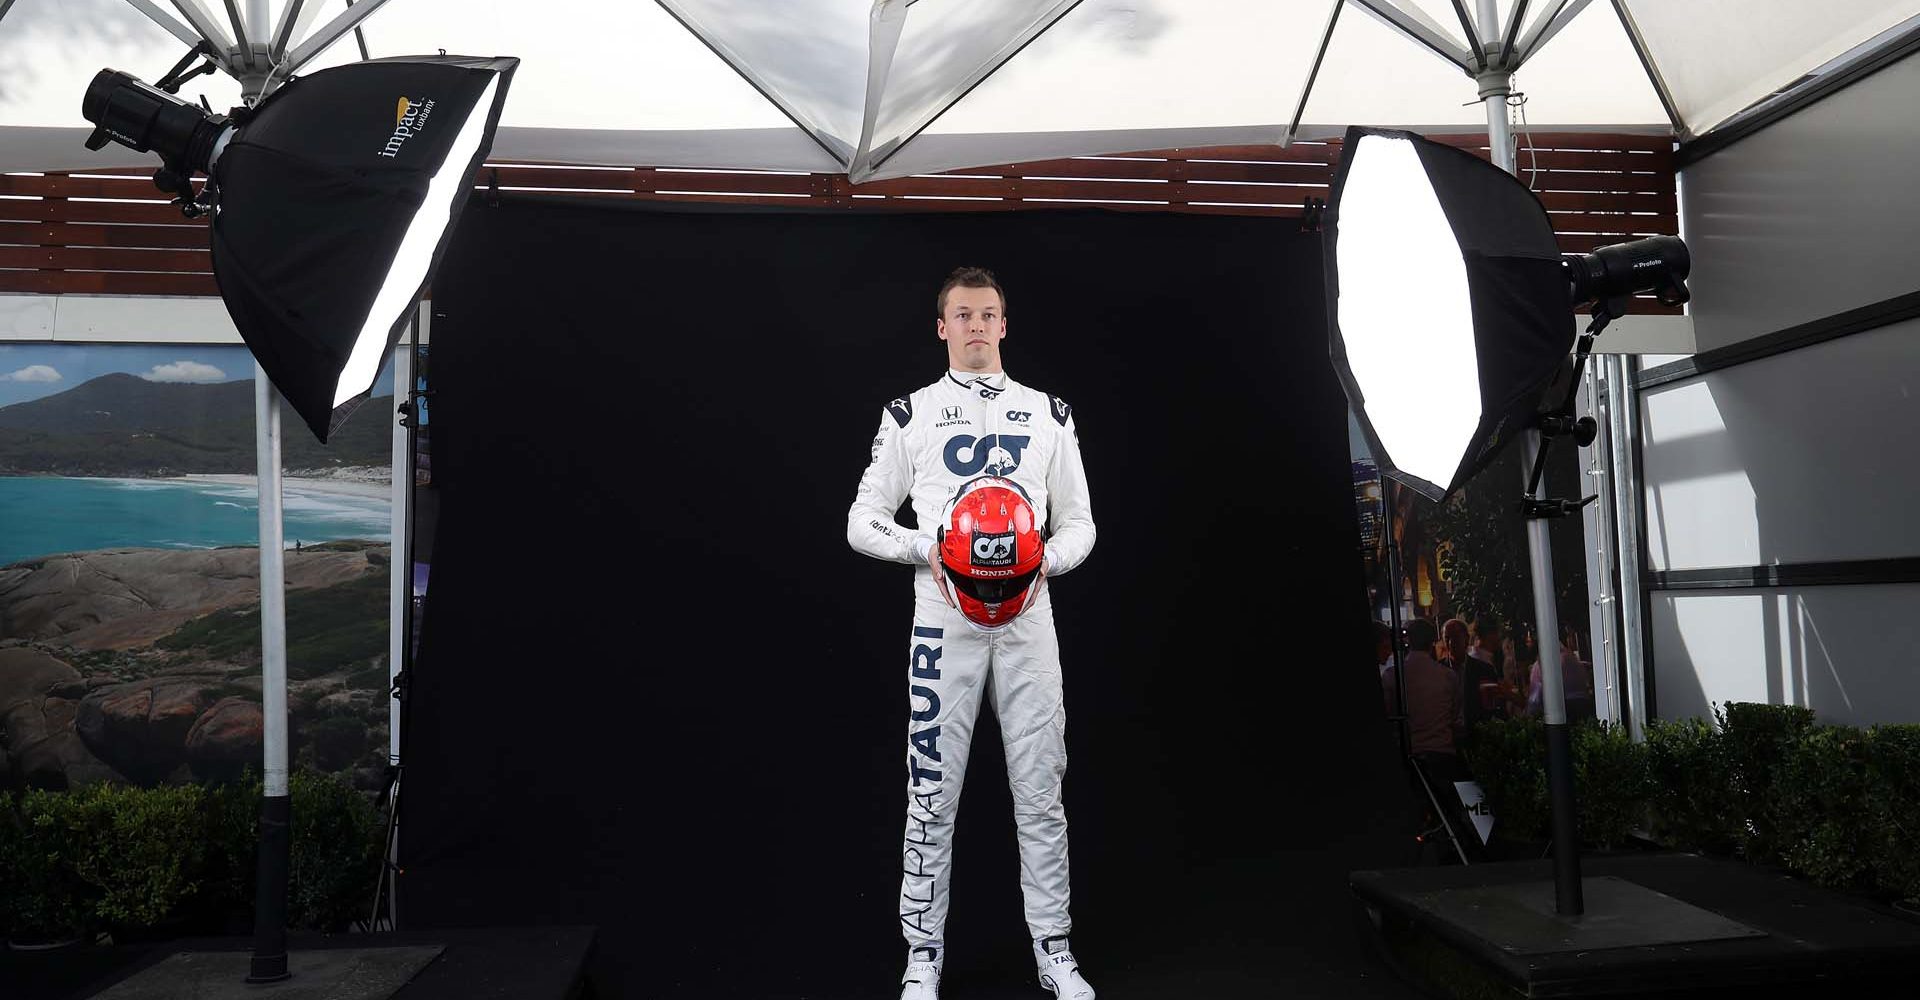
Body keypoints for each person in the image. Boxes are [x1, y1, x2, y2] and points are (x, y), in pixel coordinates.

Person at [848, 266, 1097, 1000]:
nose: (977, 326)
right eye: (963, 315)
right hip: (944, 619)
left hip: (1028, 621)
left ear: (1005, 324)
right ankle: (921, 957)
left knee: (1040, 788)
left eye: (988, 314)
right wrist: (927, 549)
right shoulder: (909, 414)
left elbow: (1081, 520)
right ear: (942, 326)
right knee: (930, 789)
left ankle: (1054, 948)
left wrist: (1045, 559)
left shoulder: (1050, 413)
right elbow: (861, 520)